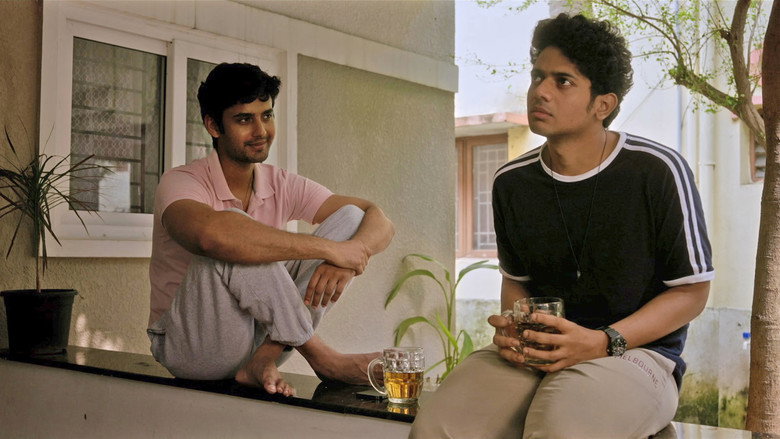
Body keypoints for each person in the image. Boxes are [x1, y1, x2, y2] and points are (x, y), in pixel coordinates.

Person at [410, 13, 713, 439]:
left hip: (633, 353)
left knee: (560, 428)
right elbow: (517, 281)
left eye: (563, 81)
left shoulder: (657, 171)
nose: (541, 91)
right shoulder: (512, 182)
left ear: (602, 104)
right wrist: (518, 328)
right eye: (538, 76)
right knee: (437, 428)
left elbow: (692, 291)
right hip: (538, 354)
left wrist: (602, 341)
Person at [147, 63, 394, 396]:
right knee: (234, 236)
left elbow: (378, 220)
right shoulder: (181, 181)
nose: (261, 130)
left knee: (350, 218)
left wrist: (350, 257)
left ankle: (263, 359)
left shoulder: (279, 182)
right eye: (244, 119)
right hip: (192, 345)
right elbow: (211, 236)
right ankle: (322, 357)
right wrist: (329, 250)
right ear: (213, 126)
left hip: (261, 338)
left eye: (267, 115)